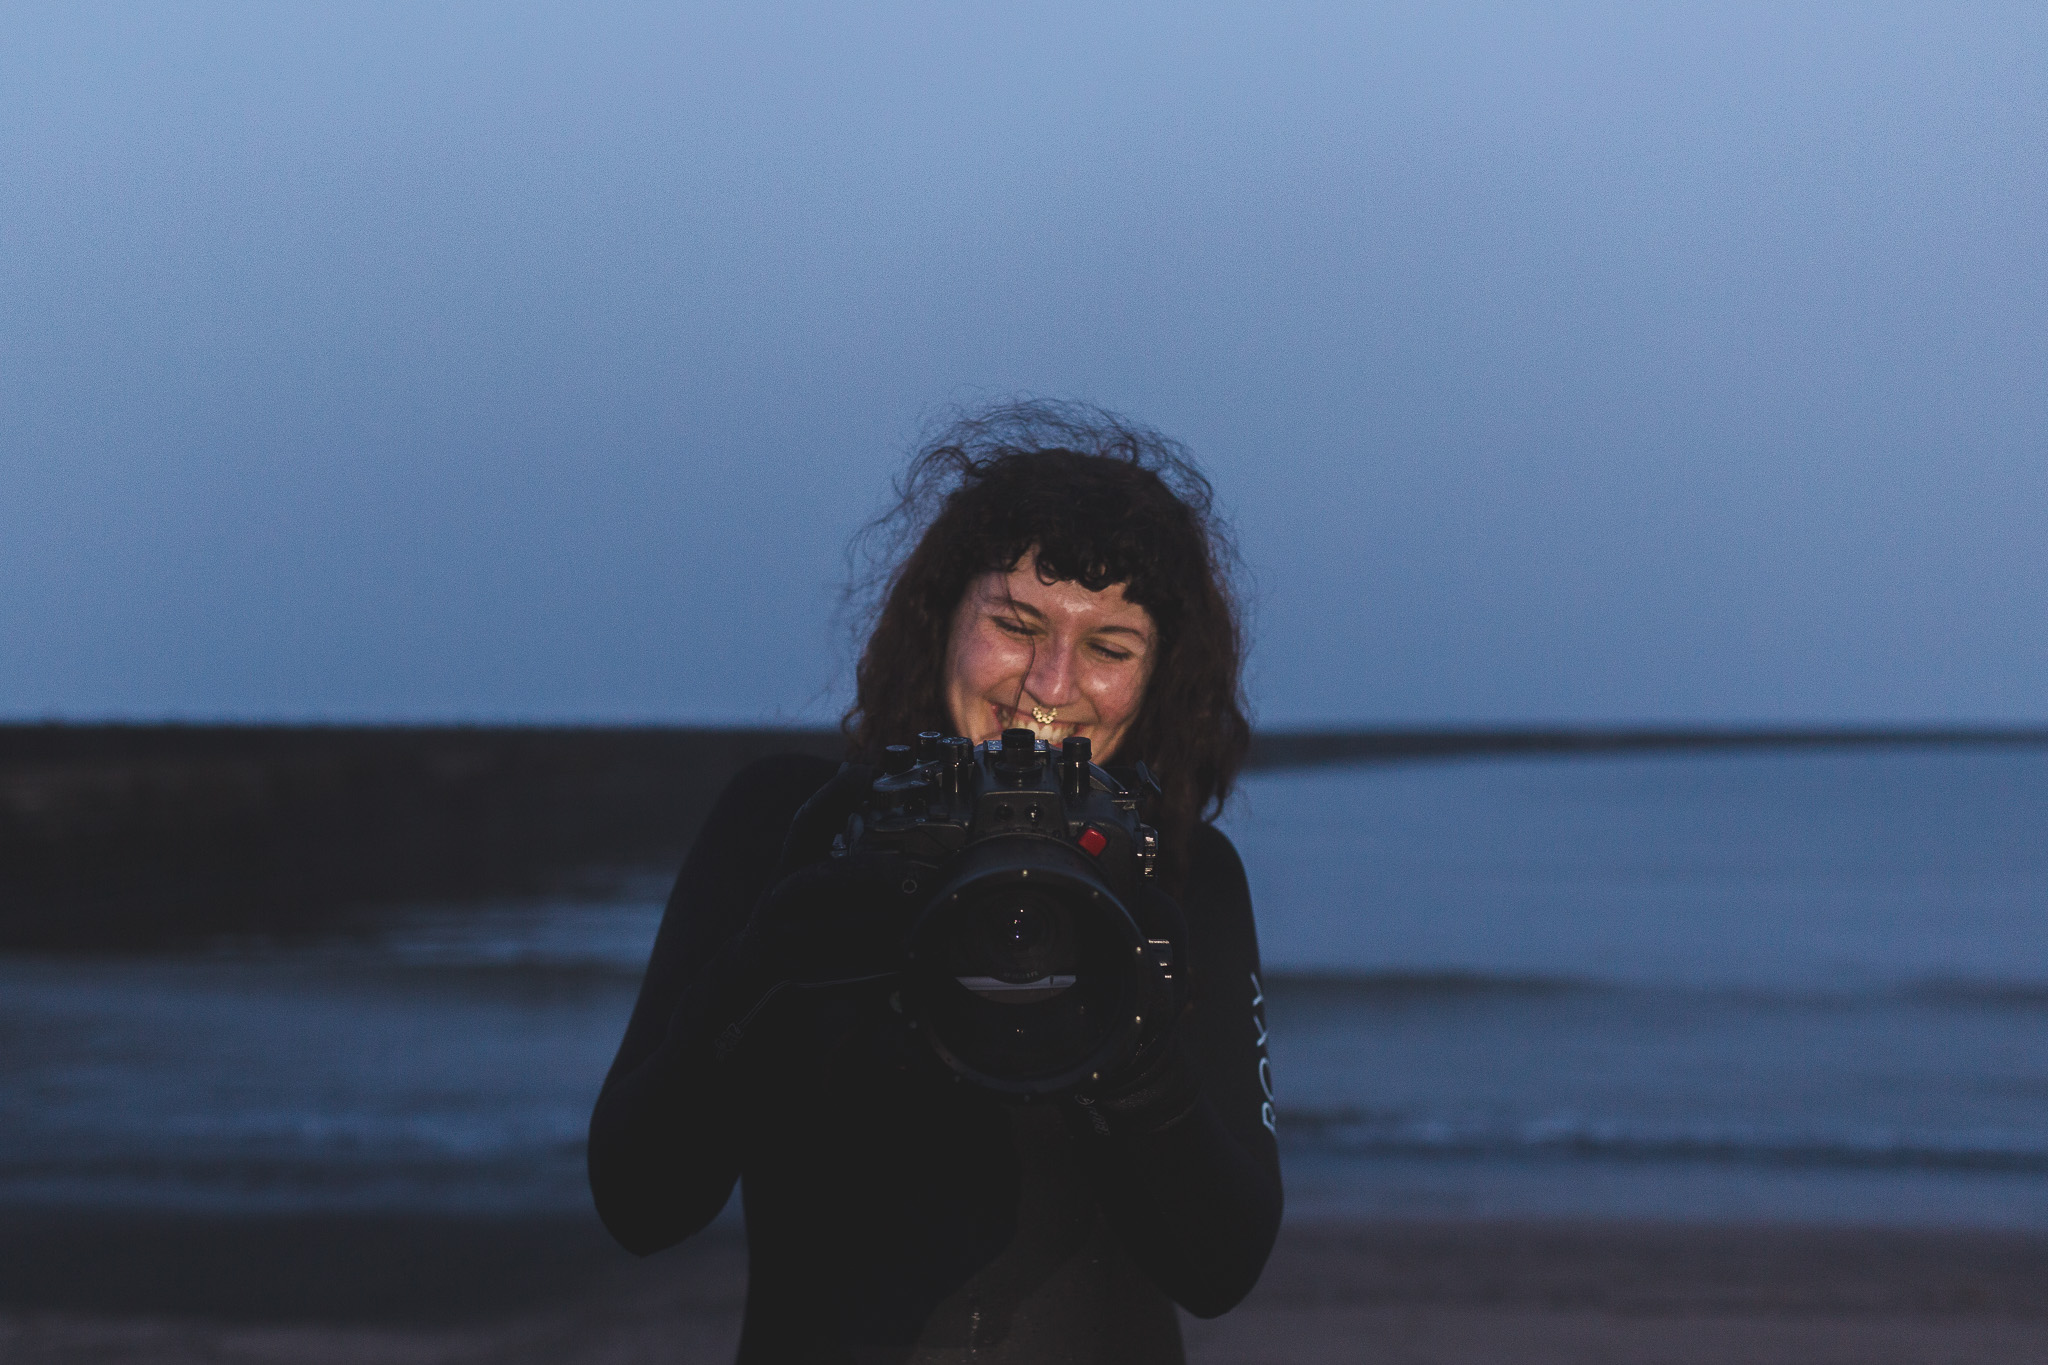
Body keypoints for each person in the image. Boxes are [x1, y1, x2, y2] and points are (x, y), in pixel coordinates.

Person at [588, 402, 1282, 1363]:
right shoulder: (797, 828)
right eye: (1016, 624)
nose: (1051, 684)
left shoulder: (1177, 873)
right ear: (944, 621)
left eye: (1108, 647)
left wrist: (1135, 1054)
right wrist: (760, 973)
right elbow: (640, 1202)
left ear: (1157, 679)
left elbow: (1219, 1267)